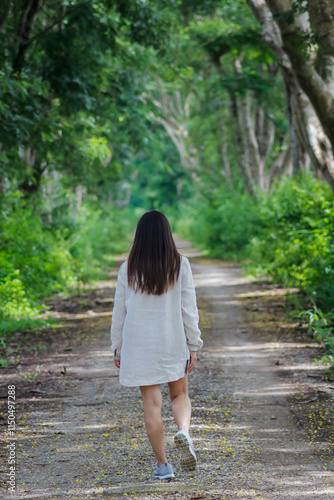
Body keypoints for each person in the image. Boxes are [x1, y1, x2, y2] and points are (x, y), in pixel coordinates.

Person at [110, 210, 203, 480]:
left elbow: (119, 312)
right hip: (172, 341)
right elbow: (189, 309)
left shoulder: (128, 268)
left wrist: (117, 346)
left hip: (139, 345)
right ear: (167, 235)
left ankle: (163, 466)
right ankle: (183, 432)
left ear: (139, 237)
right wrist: (193, 344)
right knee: (180, 395)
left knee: (151, 404)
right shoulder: (179, 264)